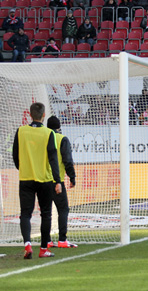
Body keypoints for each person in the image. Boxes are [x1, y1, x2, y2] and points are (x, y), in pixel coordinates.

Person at [12, 102, 62, 259]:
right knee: (46, 214)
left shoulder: (21, 131)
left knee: (25, 214)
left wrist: (23, 168)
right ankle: (43, 249)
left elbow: (15, 155)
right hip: (44, 179)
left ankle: (27, 244)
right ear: (44, 115)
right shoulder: (49, 134)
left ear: (29, 114)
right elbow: (53, 159)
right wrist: (58, 180)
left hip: (26, 178)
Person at [46, 116, 78, 248]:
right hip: (56, 181)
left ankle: (46, 241)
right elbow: (67, 160)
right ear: (59, 127)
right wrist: (72, 177)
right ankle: (62, 239)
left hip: (42, 180)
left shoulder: (43, 139)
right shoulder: (62, 139)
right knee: (63, 209)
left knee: (46, 211)